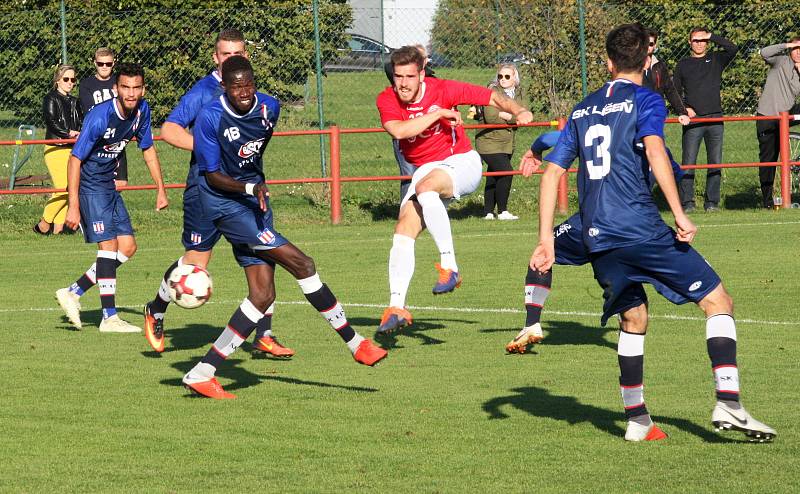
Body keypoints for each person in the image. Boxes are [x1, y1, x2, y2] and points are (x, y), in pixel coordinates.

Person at [531, 23, 775, 442]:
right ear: (647, 60)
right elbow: (657, 150)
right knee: (717, 300)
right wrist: (679, 213)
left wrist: (545, 240)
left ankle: (638, 421)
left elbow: (552, 171)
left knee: (634, 316)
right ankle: (729, 402)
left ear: (607, 62)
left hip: (598, 239)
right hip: (640, 229)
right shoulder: (647, 99)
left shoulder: (581, 109)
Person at [181, 56, 387, 399]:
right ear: (225, 87)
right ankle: (355, 343)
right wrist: (248, 187)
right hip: (223, 204)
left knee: (263, 295)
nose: (244, 92)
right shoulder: (209, 117)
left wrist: (254, 186)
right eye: (236, 87)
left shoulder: (269, 108)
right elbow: (212, 175)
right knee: (303, 263)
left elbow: (254, 153)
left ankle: (203, 371)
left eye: (249, 85)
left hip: (254, 201)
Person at [142, 29, 292, 357]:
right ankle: (156, 308)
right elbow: (168, 129)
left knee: (266, 253)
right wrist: (211, 146)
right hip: (206, 190)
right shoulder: (205, 90)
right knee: (196, 266)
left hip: (246, 192)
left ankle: (264, 334)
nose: (231, 58)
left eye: (237, 53)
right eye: (225, 54)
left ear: (246, 57)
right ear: (216, 59)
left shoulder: (250, 95)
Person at [375, 46, 533, 333]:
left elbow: (492, 96)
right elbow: (399, 130)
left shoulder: (443, 89)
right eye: (398, 76)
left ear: (422, 74)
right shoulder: (387, 99)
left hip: (461, 162)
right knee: (403, 230)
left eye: (410, 76)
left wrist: (519, 109)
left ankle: (450, 265)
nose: (404, 84)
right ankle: (396, 305)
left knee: (425, 187)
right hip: (426, 171)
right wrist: (437, 116)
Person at [506, 131, 684, 353]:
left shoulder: (598, 129)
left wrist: (535, 150)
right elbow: (675, 174)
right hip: (635, 228)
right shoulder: (657, 147)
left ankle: (532, 324)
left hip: (593, 221)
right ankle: (630, 343)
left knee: (542, 255)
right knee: (627, 279)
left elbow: (548, 138)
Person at [55, 63, 169, 333]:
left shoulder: (142, 110)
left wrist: (161, 189)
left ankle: (73, 291)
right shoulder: (100, 116)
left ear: (143, 89)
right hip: (90, 186)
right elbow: (75, 160)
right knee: (108, 247)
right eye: (125, 87)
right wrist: (73, 206)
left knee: (127, 247)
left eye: (136, 87)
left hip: (108, 185)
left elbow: (148, 149)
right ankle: (109, 317)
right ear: (116, 89)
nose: (131, 93)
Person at [673, 27, 739, 212]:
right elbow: (674, 91)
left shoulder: (717, 59)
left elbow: (733, 49)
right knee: (688, 163)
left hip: (716, 119)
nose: (699, 43)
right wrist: (684, 109)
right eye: (695, 40)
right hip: (694, 122)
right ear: (689, 42)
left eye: (703, 40)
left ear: (708, 42)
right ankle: (687, 203)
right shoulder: (683, 64)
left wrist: (711, 35)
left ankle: (712, 203)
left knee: (715, 162)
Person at [383, 44, 436, 200]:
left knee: (428, 174)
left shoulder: (432, 79)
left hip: (426, 136)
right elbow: (388, 67)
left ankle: (427, 207)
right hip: (405, 132)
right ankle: (406, 208)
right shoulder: (401, 77)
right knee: (409, 174)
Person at [35, 64, 83, 235]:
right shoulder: (50, 98)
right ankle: (44, 223)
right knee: (63, 187)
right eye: (66, 79)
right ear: (57, 80)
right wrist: (69, 133)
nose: (70, 83)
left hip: (72, 147)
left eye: (73, 80)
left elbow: (80, 122)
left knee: (71, 186)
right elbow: (52, 122)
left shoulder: (75, 101)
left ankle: (59, 228)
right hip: (55, 147)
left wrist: (80, 133)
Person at [475, 64, 525, 220]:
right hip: (489, 141)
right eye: (500, 76)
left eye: (507, 76)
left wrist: (508, 116)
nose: (503, 79)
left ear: (514, 79)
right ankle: (503, 211)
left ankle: (488, 212)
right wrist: (513, 117)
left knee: (493, 175)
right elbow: (491, 117)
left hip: (507, 143)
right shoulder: (492, 92)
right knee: (506, 172)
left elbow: (525, 115)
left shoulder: (519, 94)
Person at [755, 37, 800, 209]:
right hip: (767, 116)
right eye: (796, 49)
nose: (798, 52)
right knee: (768, 159)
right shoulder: (781, 60)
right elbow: (764, 52)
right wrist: (788, 45)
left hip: (787, 115)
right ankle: (767, 201)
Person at [78, 47, 128, 189]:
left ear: (114, 63)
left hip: (117, 140)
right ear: (95, 63)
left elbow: (126, 108)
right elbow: (90, 112)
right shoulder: (86, 85)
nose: (104, 67)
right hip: (96, 140)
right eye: (101, 64)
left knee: (121, 184)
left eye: (108, 64)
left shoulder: (119, 82)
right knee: (95, 182)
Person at [642, 29, 690, 125]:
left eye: (650, 44)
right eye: (644, 43)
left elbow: (670, 89)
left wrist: (682, 112)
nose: (647, 46)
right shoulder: (630, 65)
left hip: (656, 113)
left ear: (655, 46)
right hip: (637, 113)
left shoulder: (659, 66)